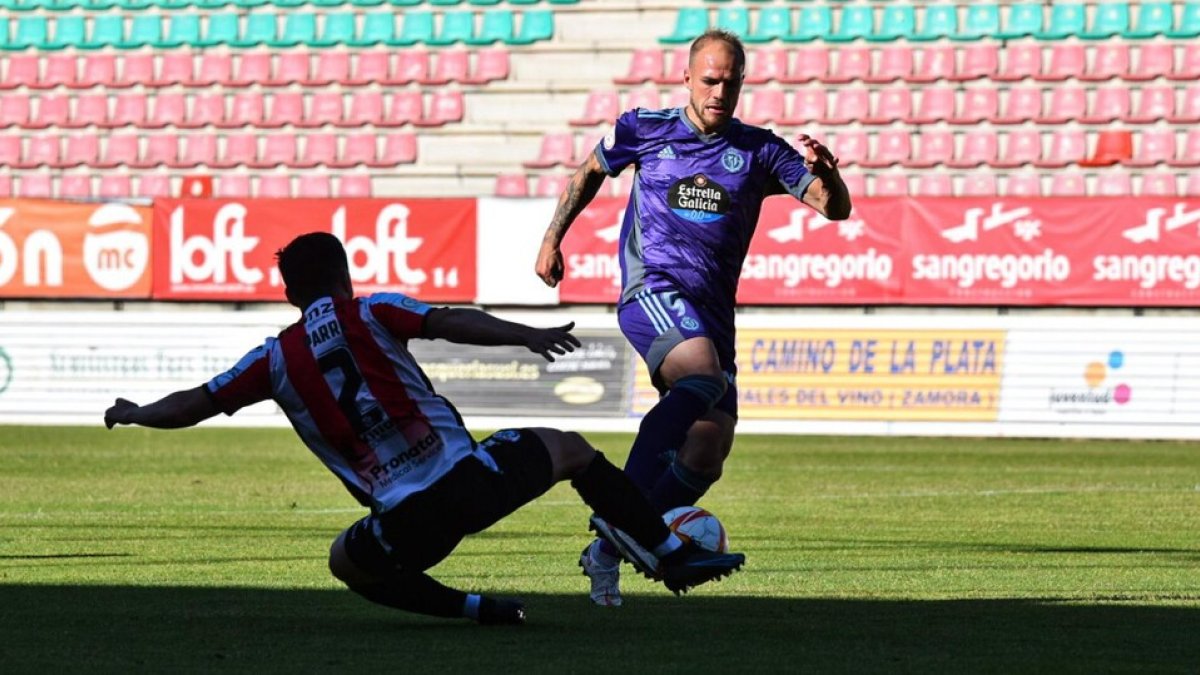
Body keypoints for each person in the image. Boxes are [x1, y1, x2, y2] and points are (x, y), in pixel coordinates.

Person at [104, 232, 745, 625]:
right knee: (573, 452)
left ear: (291, 295)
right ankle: (666, 554)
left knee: (346, 563)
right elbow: (450, 321)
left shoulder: (272, 360)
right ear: (344, 277)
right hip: (472, 483)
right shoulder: (371, 310)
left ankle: (476, 610)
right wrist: (527, 335)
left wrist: (136, 413)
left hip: (406, 526)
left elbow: (195, 403)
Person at [535, 29, 852, 606]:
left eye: (731, 82)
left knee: (709, 446)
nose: (719, 92)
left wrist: (828, 174)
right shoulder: (643, 128)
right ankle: (623, 517)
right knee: (703, 378)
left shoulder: (760, 150)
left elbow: (834, 209)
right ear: (686, 78)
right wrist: (552, 239)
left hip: (712, 314)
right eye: (709, 80)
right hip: (652, 290)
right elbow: (588, 172)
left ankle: (607, 549)